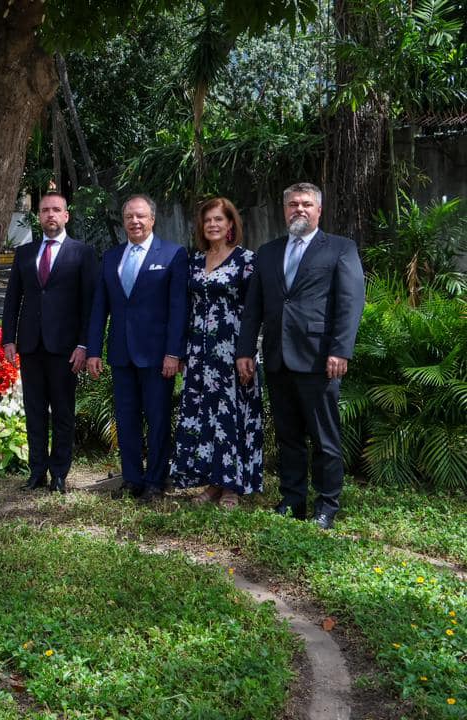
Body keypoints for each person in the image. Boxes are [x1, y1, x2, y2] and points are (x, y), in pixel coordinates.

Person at [236, 182, 365, 530]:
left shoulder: (340, 248)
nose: (300, 209)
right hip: (277, 357)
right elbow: (253, 306)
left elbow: (350, 303)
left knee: (324, 438)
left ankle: (326, 505)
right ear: (284, 210)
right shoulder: (268, 252)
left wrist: (340, 349)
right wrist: (245, 350)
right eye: (293, 204)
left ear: (319, 210)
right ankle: (292, 500)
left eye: (307, 204)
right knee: (288, 436)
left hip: (319, 358)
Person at [86, 194, 187, 504]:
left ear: (152, 219)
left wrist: (174, 353)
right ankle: (131, 478)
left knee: (157, 420)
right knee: (126, 418)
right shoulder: (111, 257)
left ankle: (156, 481)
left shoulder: (172, 254)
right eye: (129, 216)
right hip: (120, 353)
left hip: (157, 356)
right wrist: (93, 351)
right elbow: (99, 307)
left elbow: (179, 308)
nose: (135, 221)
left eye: (141, 216)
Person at [2, 192, 97, 494]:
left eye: (56, 210)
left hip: (65, 348)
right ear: (39, 216)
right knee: (35, 412)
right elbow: (12, 299)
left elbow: (89, 304)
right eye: (45, 210)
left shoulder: (82, 253)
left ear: (66, 215)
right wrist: (8, 339)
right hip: (31, 345)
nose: (50, 215)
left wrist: (84, 345)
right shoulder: (25, 253)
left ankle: (59, 473)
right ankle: (37, 471)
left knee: (63, 412)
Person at [171, 197, 263, 508]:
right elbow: (187, 307)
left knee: (230, 415)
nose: (212, 224)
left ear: (231, 224)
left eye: (219, 219)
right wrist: (182, 351)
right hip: (199, 353)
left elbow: (254, 310)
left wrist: (248, 351)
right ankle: (212, 483)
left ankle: (231, 487)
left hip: (233, 351)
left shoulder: (246, 260)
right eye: (208, 220)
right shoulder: (195, 261)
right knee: (205, 416)